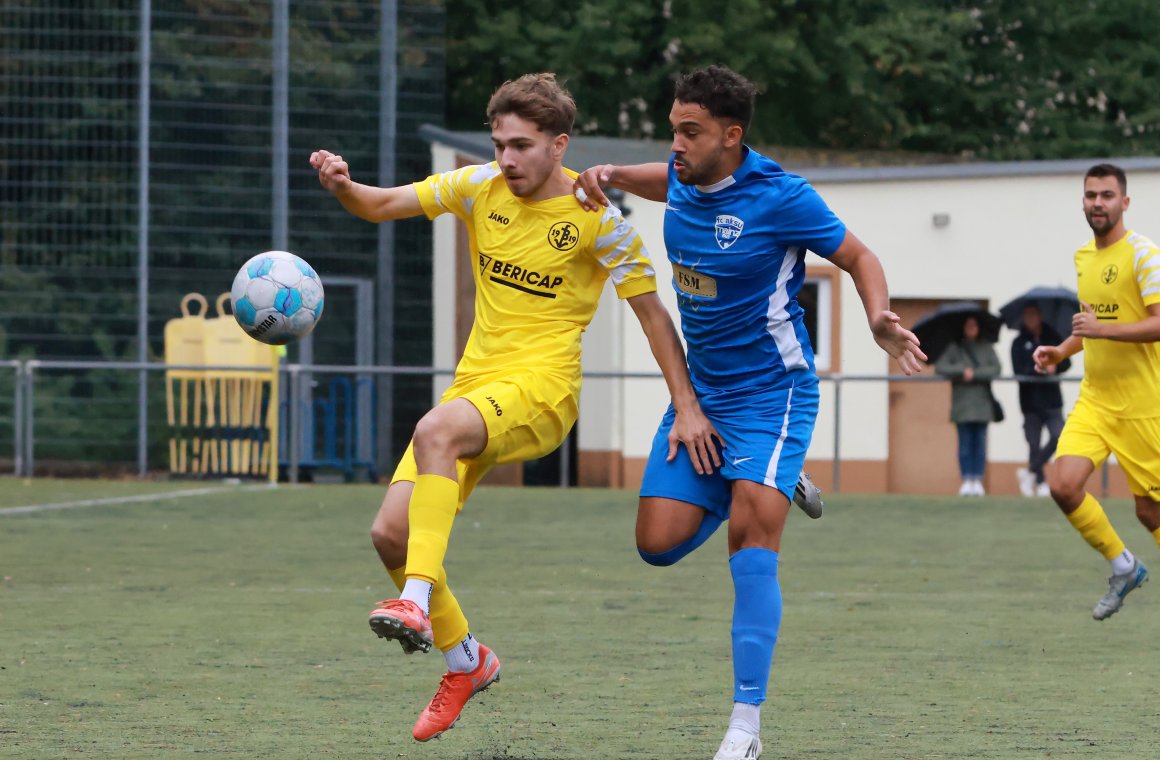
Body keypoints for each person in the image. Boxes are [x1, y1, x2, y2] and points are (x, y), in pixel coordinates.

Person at [308, 73, 726, 742]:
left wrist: (688, 406)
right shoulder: (479, 189)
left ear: (559, 145)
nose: (506, 159)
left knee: (434, 430)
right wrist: (341, 186)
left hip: (542, 392)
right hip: (475, 390)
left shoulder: (598, 220)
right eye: (499, 143)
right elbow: (382, 205)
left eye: (522, 146)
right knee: (389, 533)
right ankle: (465, 660)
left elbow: (652, 316)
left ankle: (414, 601)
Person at [572, 65, 926, 760]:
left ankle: (745, 727)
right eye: (672, 128)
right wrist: (608, 172)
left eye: (690, 131)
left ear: (731, 137)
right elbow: (654, 178)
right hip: (700, 398)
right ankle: (768, 478)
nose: (675, 143)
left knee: (749, 543)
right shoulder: (680, 171)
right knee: (657, 542)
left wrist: (880, 314)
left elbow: (858, 255)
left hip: (774, 394)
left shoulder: (780, 196)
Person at [1034, 163, 1160, 621]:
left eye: (1107, 195)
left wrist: (1101, 329)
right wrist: (1061, 351)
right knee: (1062, 484)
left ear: (1124, 202)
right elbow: (1091, 328)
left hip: (1144, 407)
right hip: (1096, 402)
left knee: (1150, 513)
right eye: (1091, 195)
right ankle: (1123, 565)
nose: (1097, 203)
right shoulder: (1084, 257)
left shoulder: (1143, 254)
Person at [934, 315, 1001, 497]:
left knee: (979, 443)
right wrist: (962, 371)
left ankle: (977, 479)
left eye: (974, 325)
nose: (971, 328)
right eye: (968, 325)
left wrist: (975, 374)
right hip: (962, 405)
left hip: (982, 404)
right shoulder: (955, 348)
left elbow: (996, 368)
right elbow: (941, 367)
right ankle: (966, 480)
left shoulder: (986, 348)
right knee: (964, 444)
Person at [1011, 304, 1069, 497]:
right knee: (1033, 443)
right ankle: (1041, 482)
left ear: (1040, 316)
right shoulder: (1019, 342)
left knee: (1058, 435)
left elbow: (1066, 360)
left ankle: (1029, 472)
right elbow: (1019, 370)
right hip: (1030, 402)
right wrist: (1040, 368)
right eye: (1027, 315)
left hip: (1052, 400)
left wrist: (1055, 367)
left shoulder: (1052, 337)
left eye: (1034, 315)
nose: (1030, 319)